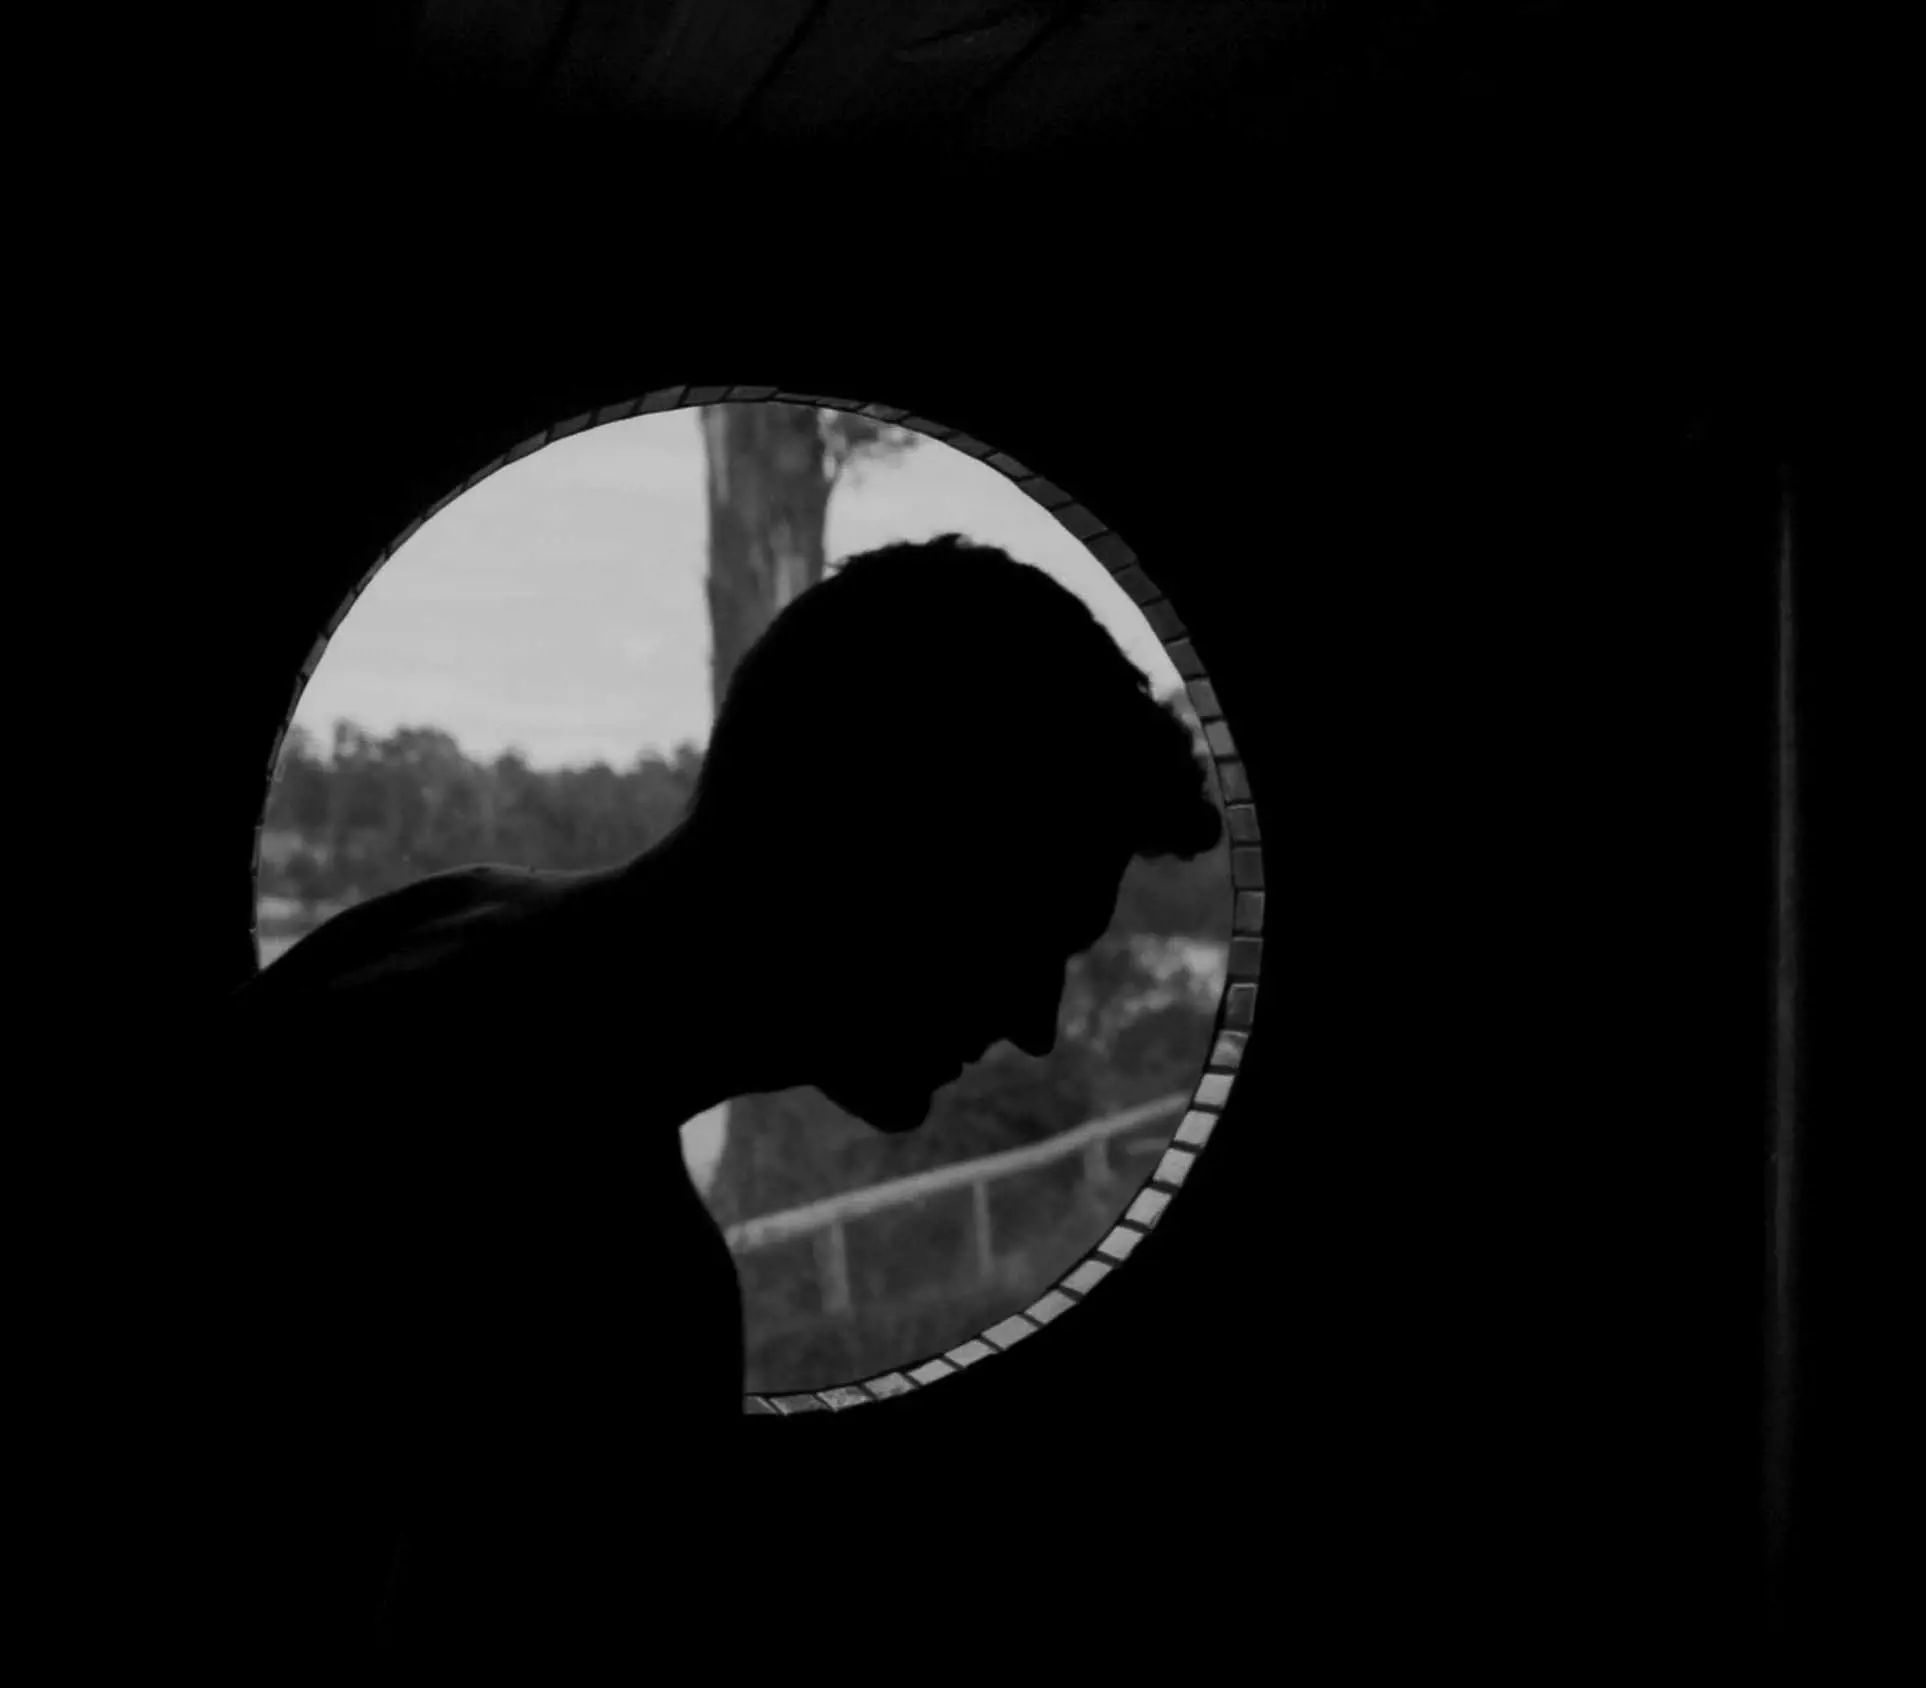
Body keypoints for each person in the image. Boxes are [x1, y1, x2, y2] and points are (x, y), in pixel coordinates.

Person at [188, 534, 1226, 1674]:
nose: (1035, 1019)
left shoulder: (431, 924)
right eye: (1026, 936)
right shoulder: (619, 1288)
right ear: (883, 855)